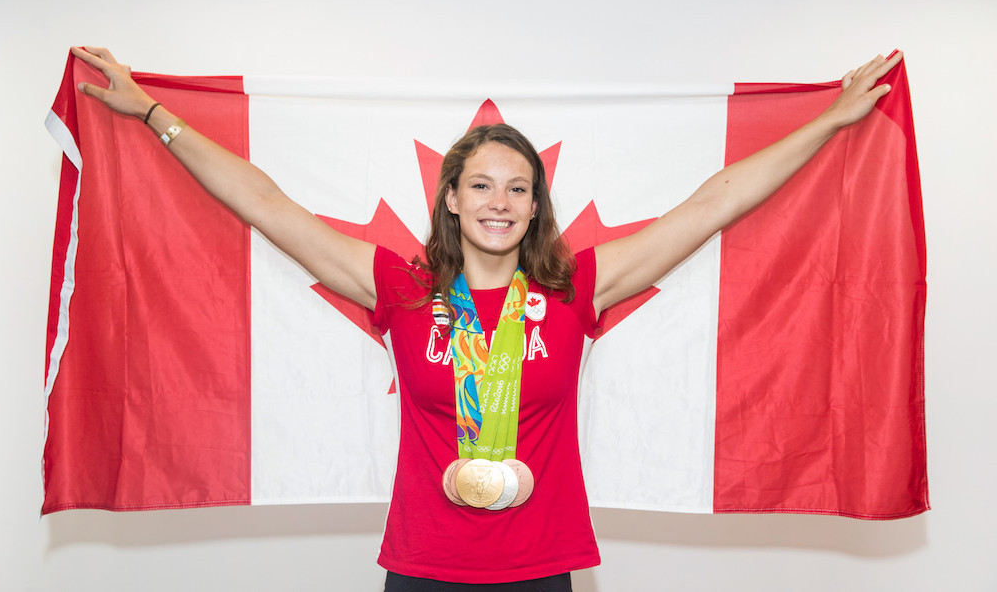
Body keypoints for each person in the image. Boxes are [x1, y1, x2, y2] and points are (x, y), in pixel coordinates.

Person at [69, 46, 902, 591]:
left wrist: (827, 120)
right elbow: (267, 204)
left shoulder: (576, 291)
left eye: (517, 187)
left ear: (536, 205)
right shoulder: (401, 286)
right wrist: (151, 113)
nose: (499, 202)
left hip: (541, 567)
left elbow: (713, 203)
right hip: (423, 567)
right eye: (481, 186)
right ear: (453, 201)